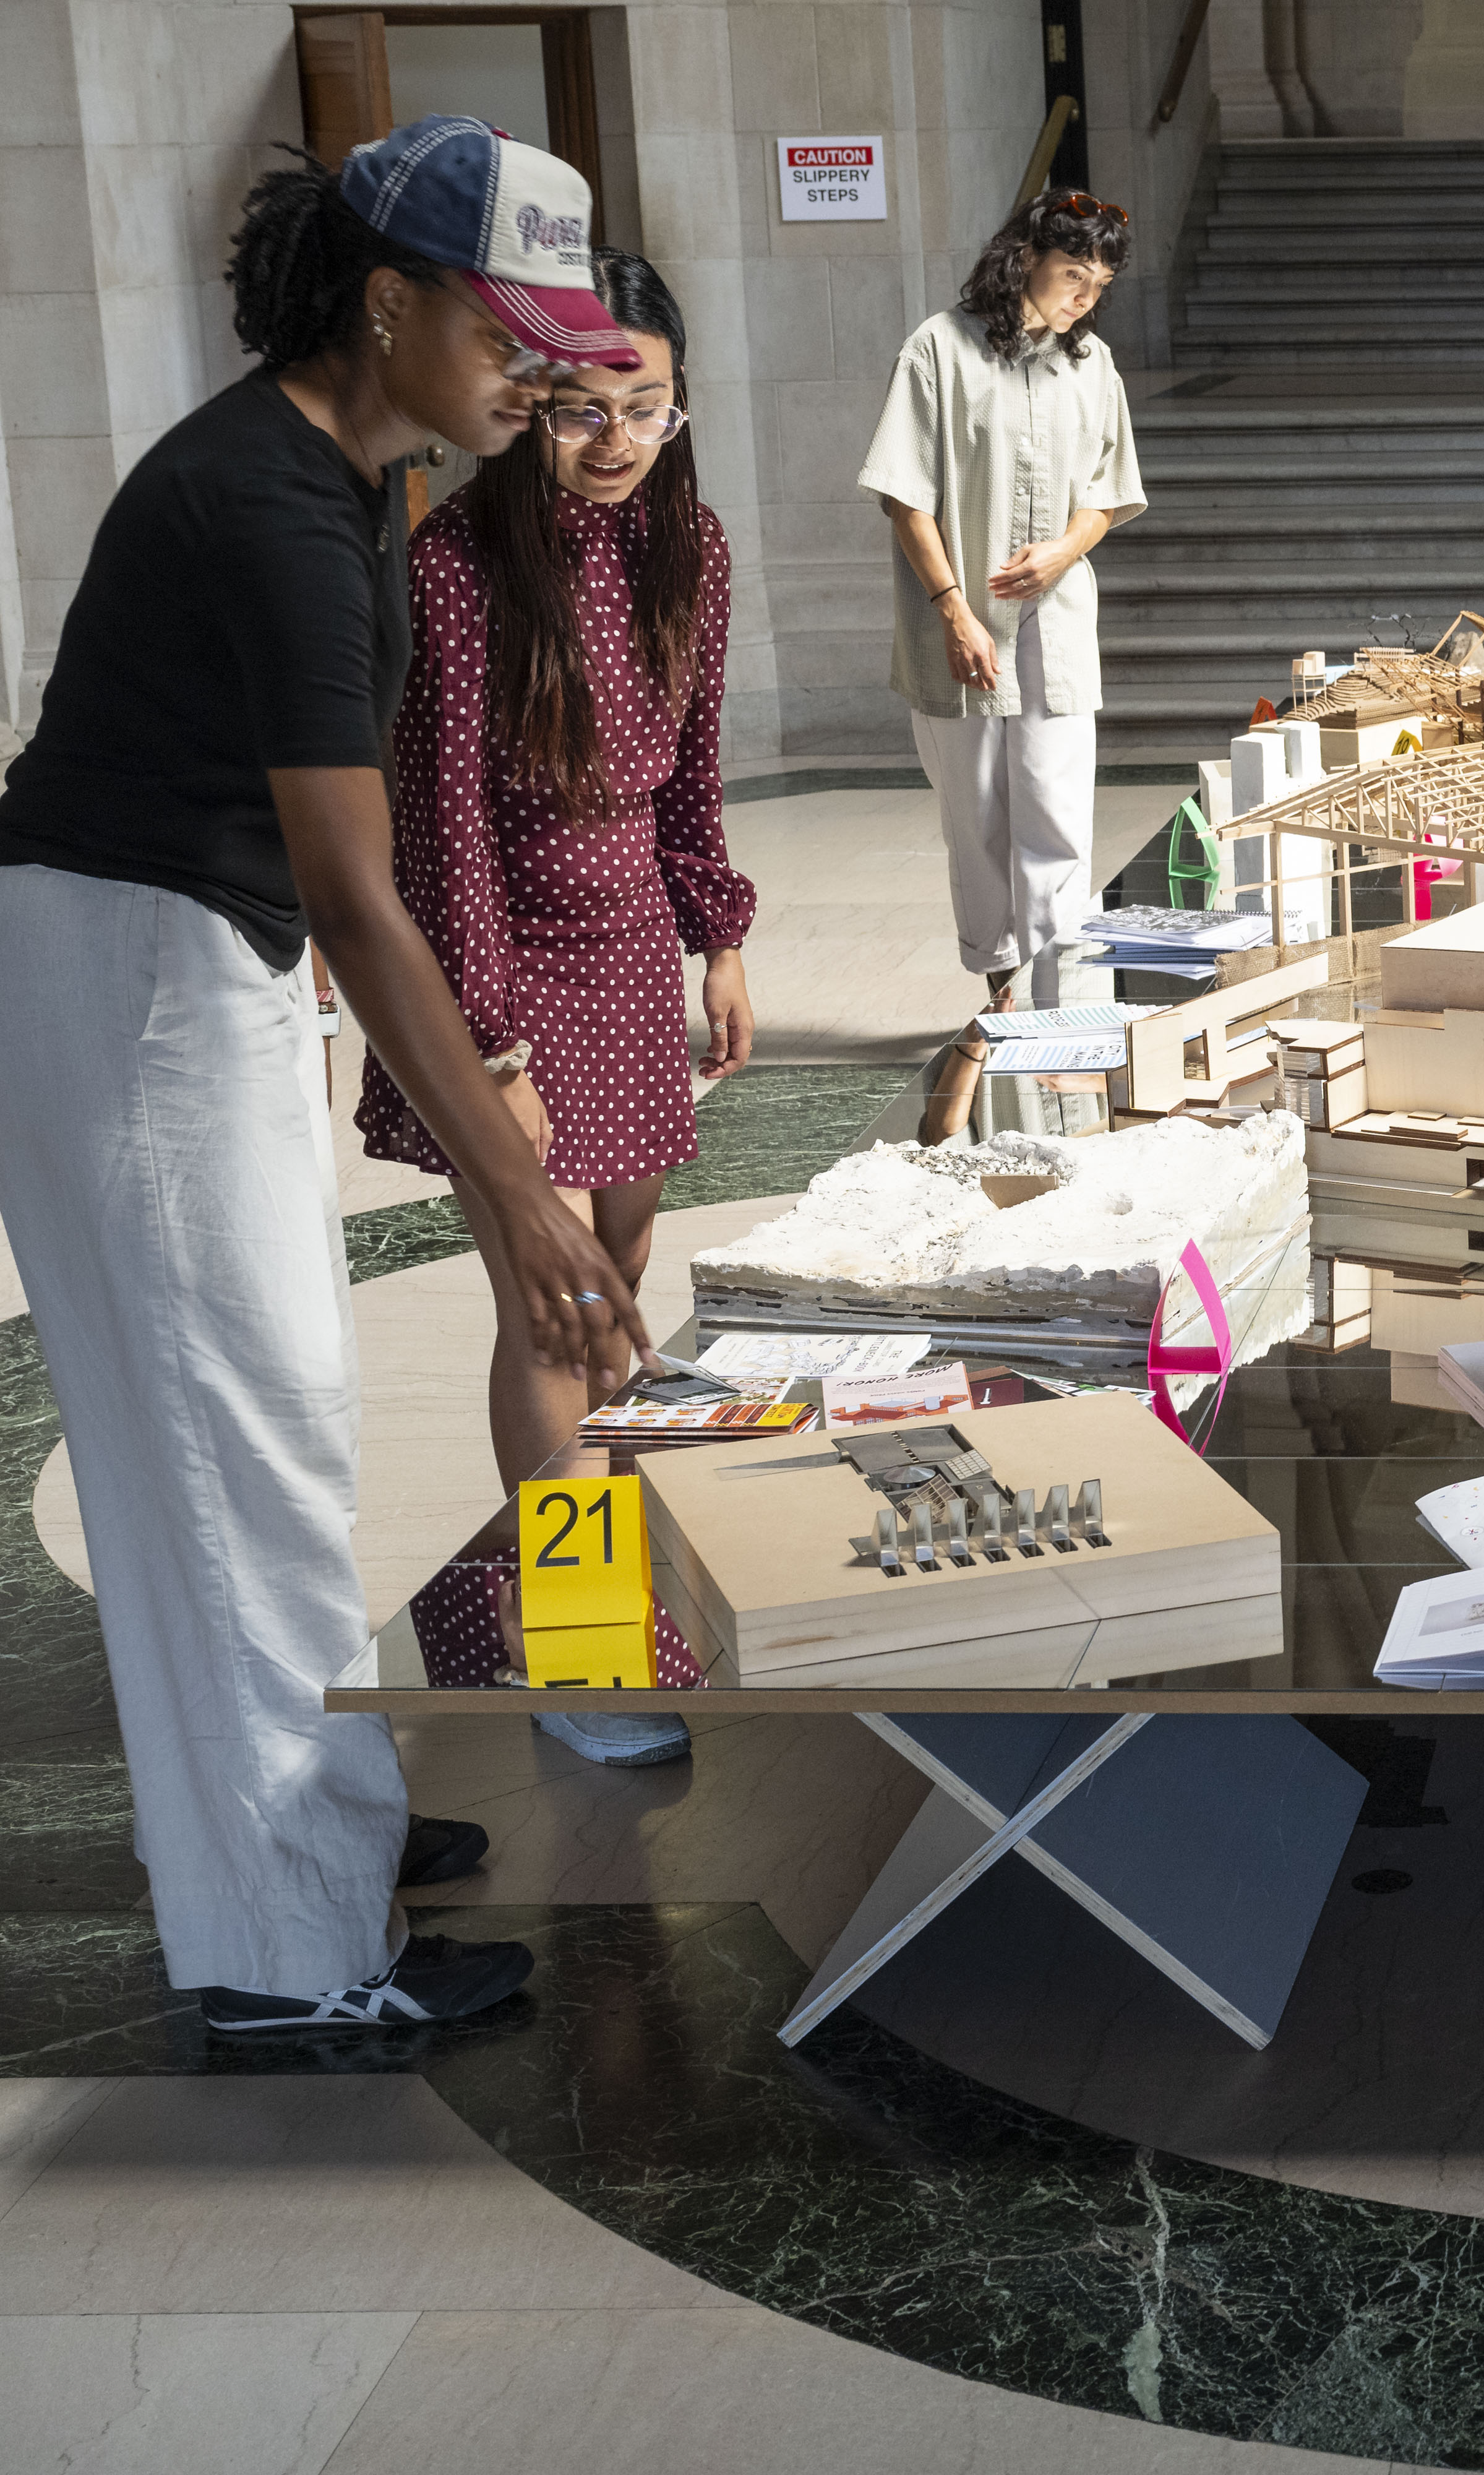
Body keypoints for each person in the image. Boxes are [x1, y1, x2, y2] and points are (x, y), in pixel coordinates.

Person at [0, 118, 651, 2031]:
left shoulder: (357, 472)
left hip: (195, 957)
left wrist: (500, 1147)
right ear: (386, 302)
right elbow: (360, 901)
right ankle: (292, 1962)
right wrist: (519, 1203)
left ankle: (304, 1827)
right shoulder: (273, 507)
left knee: (259, 1428)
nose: (542, 371)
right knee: (231, 1450)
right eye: (508, 330)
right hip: (133, 972)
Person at [357, 248, 750, 1773]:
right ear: (522, 406)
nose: (611, 439)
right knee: (554, 1302)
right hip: (501, 954)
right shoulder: (455, 567)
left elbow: (695, 762)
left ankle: (611, 1561)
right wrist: (491, 1049)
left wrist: (715, 932)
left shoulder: (689, 546)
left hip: (631, 944)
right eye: (576, 408)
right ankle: (575, 1647)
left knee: (627, 1275)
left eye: (641, 406)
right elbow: (439, 831)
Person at [856, 186, 1144, 1128]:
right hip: (962, 633)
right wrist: (953, 610)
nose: (1084, 300)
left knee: (1057, 817)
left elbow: (1107, 492)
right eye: (1073, 277)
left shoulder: (1091, 365)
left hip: (1056, 630)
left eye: (1098, 285)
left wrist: (1065, 550)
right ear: (1026, 259)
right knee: (976, 819)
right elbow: (906, 494)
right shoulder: (938, 349)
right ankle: (1000, 994)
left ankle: (1060, 1021)